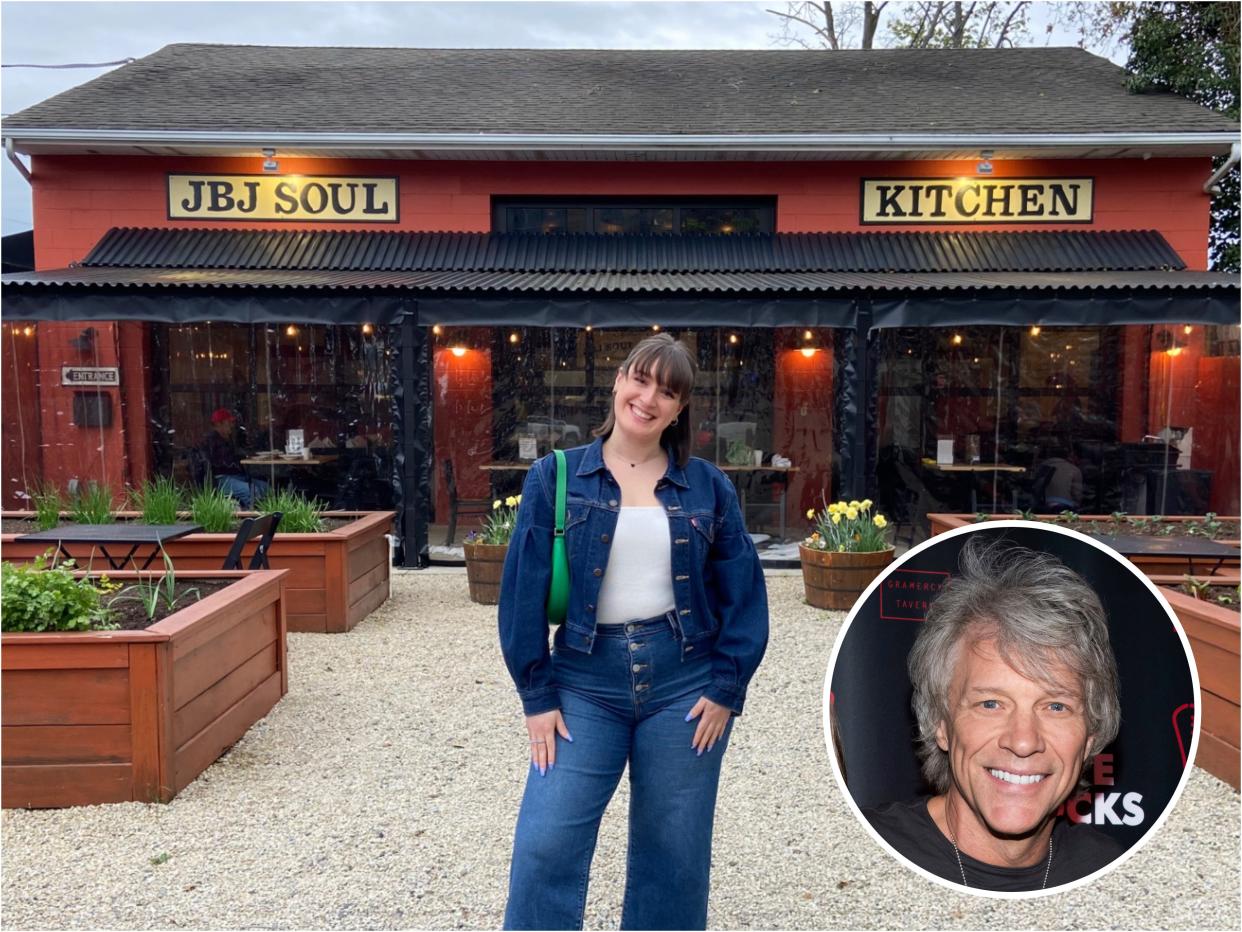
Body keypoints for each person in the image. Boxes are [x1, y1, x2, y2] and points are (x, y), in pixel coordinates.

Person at [498, 333, 769, 930]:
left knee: (674, 854)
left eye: (667, 392)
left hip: (684, 682)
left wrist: (727, 687)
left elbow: (744, 593)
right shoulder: (557, 477)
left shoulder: (707, 487)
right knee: (546, 841)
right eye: (641, 381)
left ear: (679, 408)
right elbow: (520, 593)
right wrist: (536, 696)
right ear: (619, 380)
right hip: (582, 684)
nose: (648, 399)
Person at [864, 537, 1123, 892]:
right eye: (991, 704)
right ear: (941, 721)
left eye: (1056, 706)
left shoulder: (1114, 872)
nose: (1022, 741)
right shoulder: (866, 851)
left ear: (1090, 736)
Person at [200, 408, 268, 509]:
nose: (232, 425)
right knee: (251, 491)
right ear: (219, 424)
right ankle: (253, 518)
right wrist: (240, 457)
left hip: (236, 476)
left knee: (265, 487)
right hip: (221, 479)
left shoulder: (228, 438)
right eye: (229, 422)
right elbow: (221, 462)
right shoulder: (212, 441)